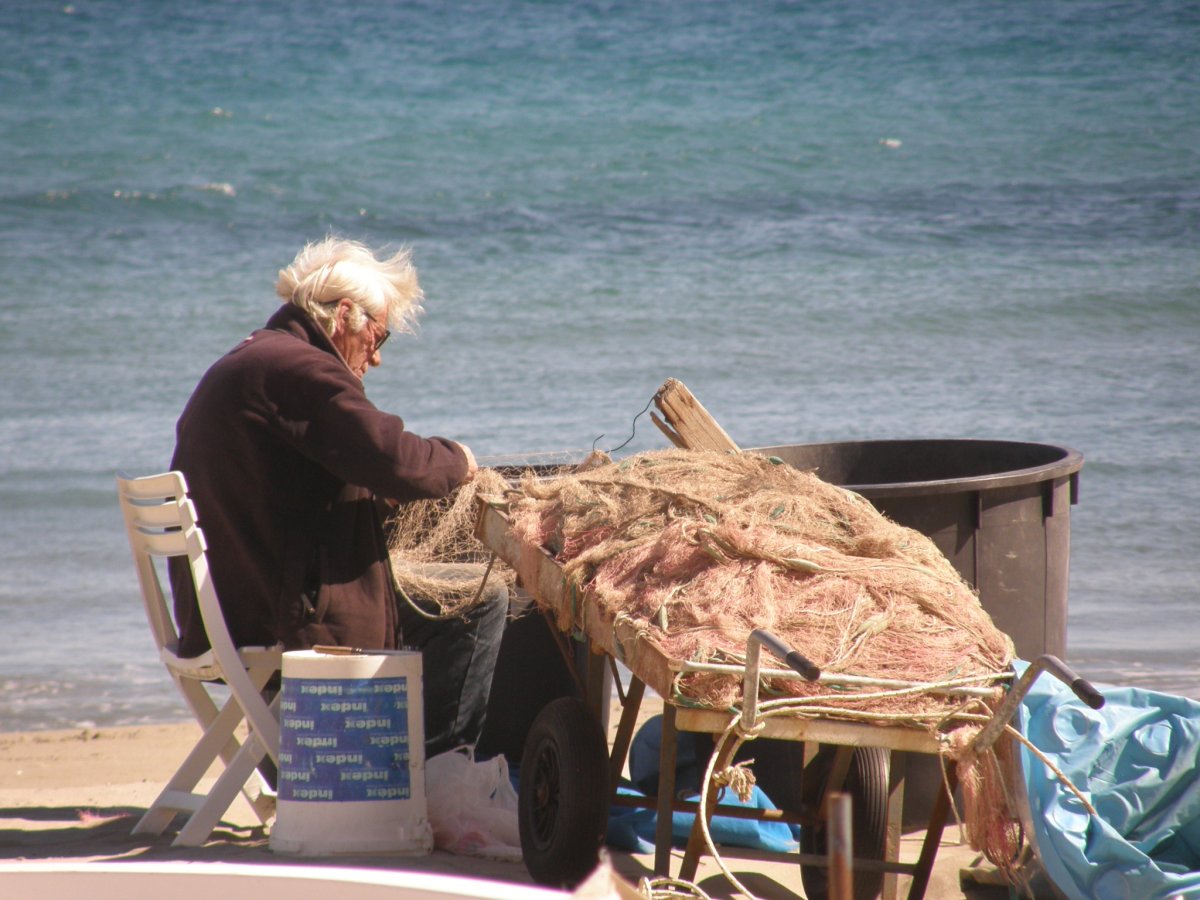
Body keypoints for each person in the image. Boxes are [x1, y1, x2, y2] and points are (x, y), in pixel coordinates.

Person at [168, 236, 506, 757]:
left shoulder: (255, 357)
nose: (376, 355)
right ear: (344, 313)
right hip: (277, 615)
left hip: (230, 606)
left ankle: (356, 761)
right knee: (481, 601)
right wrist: (459, 460)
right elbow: (396, 460)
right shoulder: (299, 370)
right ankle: (437, 774)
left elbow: (318, 476)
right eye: (380, 335)